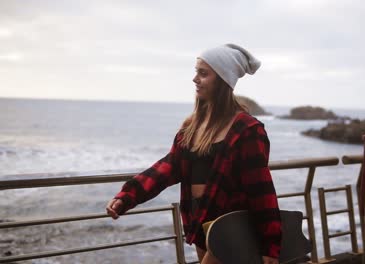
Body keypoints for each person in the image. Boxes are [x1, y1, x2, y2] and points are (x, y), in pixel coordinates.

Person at [106, 43, 282, 264]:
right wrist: (127, 196)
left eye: (203, 73)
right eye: (196, 71)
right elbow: (168, 168)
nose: (195, 78)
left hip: (230, 226)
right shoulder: (193, 126)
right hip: (199, 221)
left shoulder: (247, 131)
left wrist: (270, 246)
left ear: (222, 79)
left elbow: (261, 191)